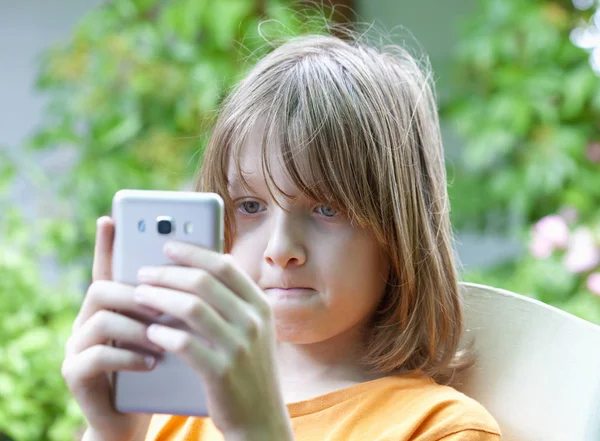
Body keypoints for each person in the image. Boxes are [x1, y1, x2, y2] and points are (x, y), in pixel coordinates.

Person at [62, 28, 502, 441]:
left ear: (397, 233)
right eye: (250, 206)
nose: (280, 250)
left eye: (327, 208)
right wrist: (109, 435)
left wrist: (259, 430)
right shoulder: (164, 404)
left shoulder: (440, 427)